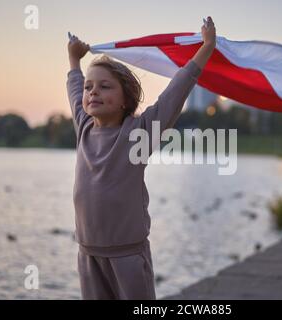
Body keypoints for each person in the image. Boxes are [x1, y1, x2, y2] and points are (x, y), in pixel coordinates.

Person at [66, 17, 216, 300]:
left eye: (105, 86)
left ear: (125, 99)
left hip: (127, 256)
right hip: (88, 255)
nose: (92, 91)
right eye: (89, 87)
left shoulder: (138, 134)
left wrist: (206, 47)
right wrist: (74, 60)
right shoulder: (84, 127)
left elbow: (175, 93)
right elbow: (74, 91)